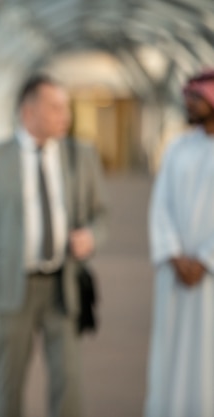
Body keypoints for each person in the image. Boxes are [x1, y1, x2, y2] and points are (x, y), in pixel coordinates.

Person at [0, 74, 107, 417]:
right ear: (28, 111)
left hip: (63, 285)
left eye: (66, 107)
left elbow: (102, 213)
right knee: (7, 384)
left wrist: (92, 236)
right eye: (55, 107)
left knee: (68, 383)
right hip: (13, 286)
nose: (64, 115)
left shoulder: (80, 155)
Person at [145, 69, 214, 417]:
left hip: (208, 279)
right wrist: (175, 256)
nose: (188, 104)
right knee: (171, 358)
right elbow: (161, 207)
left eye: (196, 98)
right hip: (176, 274)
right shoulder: (177, 148)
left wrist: (205, 260)